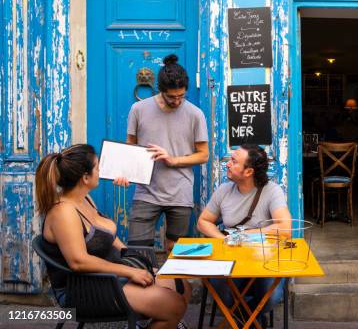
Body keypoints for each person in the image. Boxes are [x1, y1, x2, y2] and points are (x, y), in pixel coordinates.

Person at [35, 144, 191, 329]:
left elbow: (105, 235)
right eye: (97, 167)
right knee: (173, 305)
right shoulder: (64, 213)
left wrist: (134, 260)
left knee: (183, 286)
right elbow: (79, 261)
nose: (100, 171)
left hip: (108, 276)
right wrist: (131, 272)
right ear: (85, 177)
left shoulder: (84, 198)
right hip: (83, 288)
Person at [116, 54, 209, 251]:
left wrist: (172, 160)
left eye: (181, 96)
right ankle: (146, 280)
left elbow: (203, 154)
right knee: (137, 249)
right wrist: (125, 173)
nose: (177, 102)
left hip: (180, 193)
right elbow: (130, 147)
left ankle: (172, 284)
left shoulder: (195, 114)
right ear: (160, 90)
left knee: (177, 252)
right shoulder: (138, 109)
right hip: (146, 192)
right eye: (172, 97)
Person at [197, 144, 291, 327]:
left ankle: (241, 318)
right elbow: (203, 222)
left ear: (248, 172)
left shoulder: (272, 191)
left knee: (272, 297)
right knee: (219, 288)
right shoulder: (224, 190)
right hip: (231, 258)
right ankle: (250, 319)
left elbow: (285, 228)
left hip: (264, 259)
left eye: (233, 161)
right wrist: (223, 239)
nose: (227, 164)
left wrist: (242, 235)